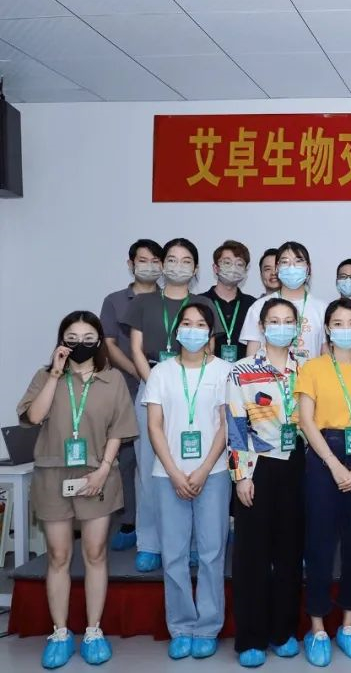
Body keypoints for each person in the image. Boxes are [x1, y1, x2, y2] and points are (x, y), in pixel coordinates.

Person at [18, 311, 138, 668]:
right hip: (53, 475)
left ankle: (93, 630)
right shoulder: (45, 376)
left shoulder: (112, 379)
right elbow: (33, 417)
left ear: (99, 342)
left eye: (88, 339)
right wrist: (56, 373)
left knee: (96, 553)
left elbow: (119, 430)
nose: (80, 345)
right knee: (58, 555)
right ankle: (59, 632)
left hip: (98, 475)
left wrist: (104, 469)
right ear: (61, 341)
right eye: (72, 338)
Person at [294, 299, 351, 667]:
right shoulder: (312, 368)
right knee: (319, 543)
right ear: (328, 329)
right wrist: (332, 464)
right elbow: (306, 421)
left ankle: (348, 625)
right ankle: (317, 627)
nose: (345, 328)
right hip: (323, 454)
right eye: (338, 322)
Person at [144, 302, 233, 660]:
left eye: (200, 325)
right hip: (168, 475)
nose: (192, 330)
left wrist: (204, 468)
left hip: (214, 473)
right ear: (177, 330)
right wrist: (174, 472)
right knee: (174, 555)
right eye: (187, 323)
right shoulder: (161, 372)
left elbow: (226, 425)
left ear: (210, 334)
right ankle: (180, 626)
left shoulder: (225, 371)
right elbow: (154, 426)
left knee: (212, 553)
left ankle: (208, 626)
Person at [123, 237, 216, 572]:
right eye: (172, 259)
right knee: (150, 467)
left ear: (196, 268)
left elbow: (210, 348)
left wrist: (185, 384)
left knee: (193, 464)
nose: (178, 266)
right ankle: (149, 542)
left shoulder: (203, 302)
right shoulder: (144, 302)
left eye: (186, 260)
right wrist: (157, 384)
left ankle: (191, 543)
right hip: (153, 387)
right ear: (162, 265)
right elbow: (136, 350)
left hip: (195, 392)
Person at [225, 298, 306, 667]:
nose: (281, 327)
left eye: (288, 320)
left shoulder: (306, 367)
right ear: (262, 327)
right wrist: (241, 475)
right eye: (274, 320)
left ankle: (283, 631)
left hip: (296, 464)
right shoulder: (241, 370)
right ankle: (251, 637)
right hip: (257, 465)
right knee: (252, 555)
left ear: (297, 327)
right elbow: (235, 425)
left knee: (289, 552)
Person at [100, 238, 162, 551]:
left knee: (159, 457)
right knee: (127, 458)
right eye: (142, 260)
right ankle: (130, 520)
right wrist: (140, 372)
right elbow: (109, 344)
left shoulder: (168, 299)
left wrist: (156, 378)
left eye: (155, 261)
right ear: (130, 264)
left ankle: (161, 524)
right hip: (127, 384)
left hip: (163, 386)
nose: (149, 266)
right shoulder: (115, 301)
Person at [239, 241, 328, 364]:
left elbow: (326, 355)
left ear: (308, 268)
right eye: (285, 262)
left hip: (310, 375)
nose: (292, 267)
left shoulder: (322, 308)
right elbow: (251, 357)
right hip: (269, 375)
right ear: (277, 268)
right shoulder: (259, 306)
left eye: (298, 261)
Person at [203, 240, 256, 363]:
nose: (233, 268)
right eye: (227, 263)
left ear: (245, 270)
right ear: (215, 268)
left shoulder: (253, 305)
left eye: (239, 264)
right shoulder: (201, 302)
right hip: (209, 370)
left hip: (244, 372)